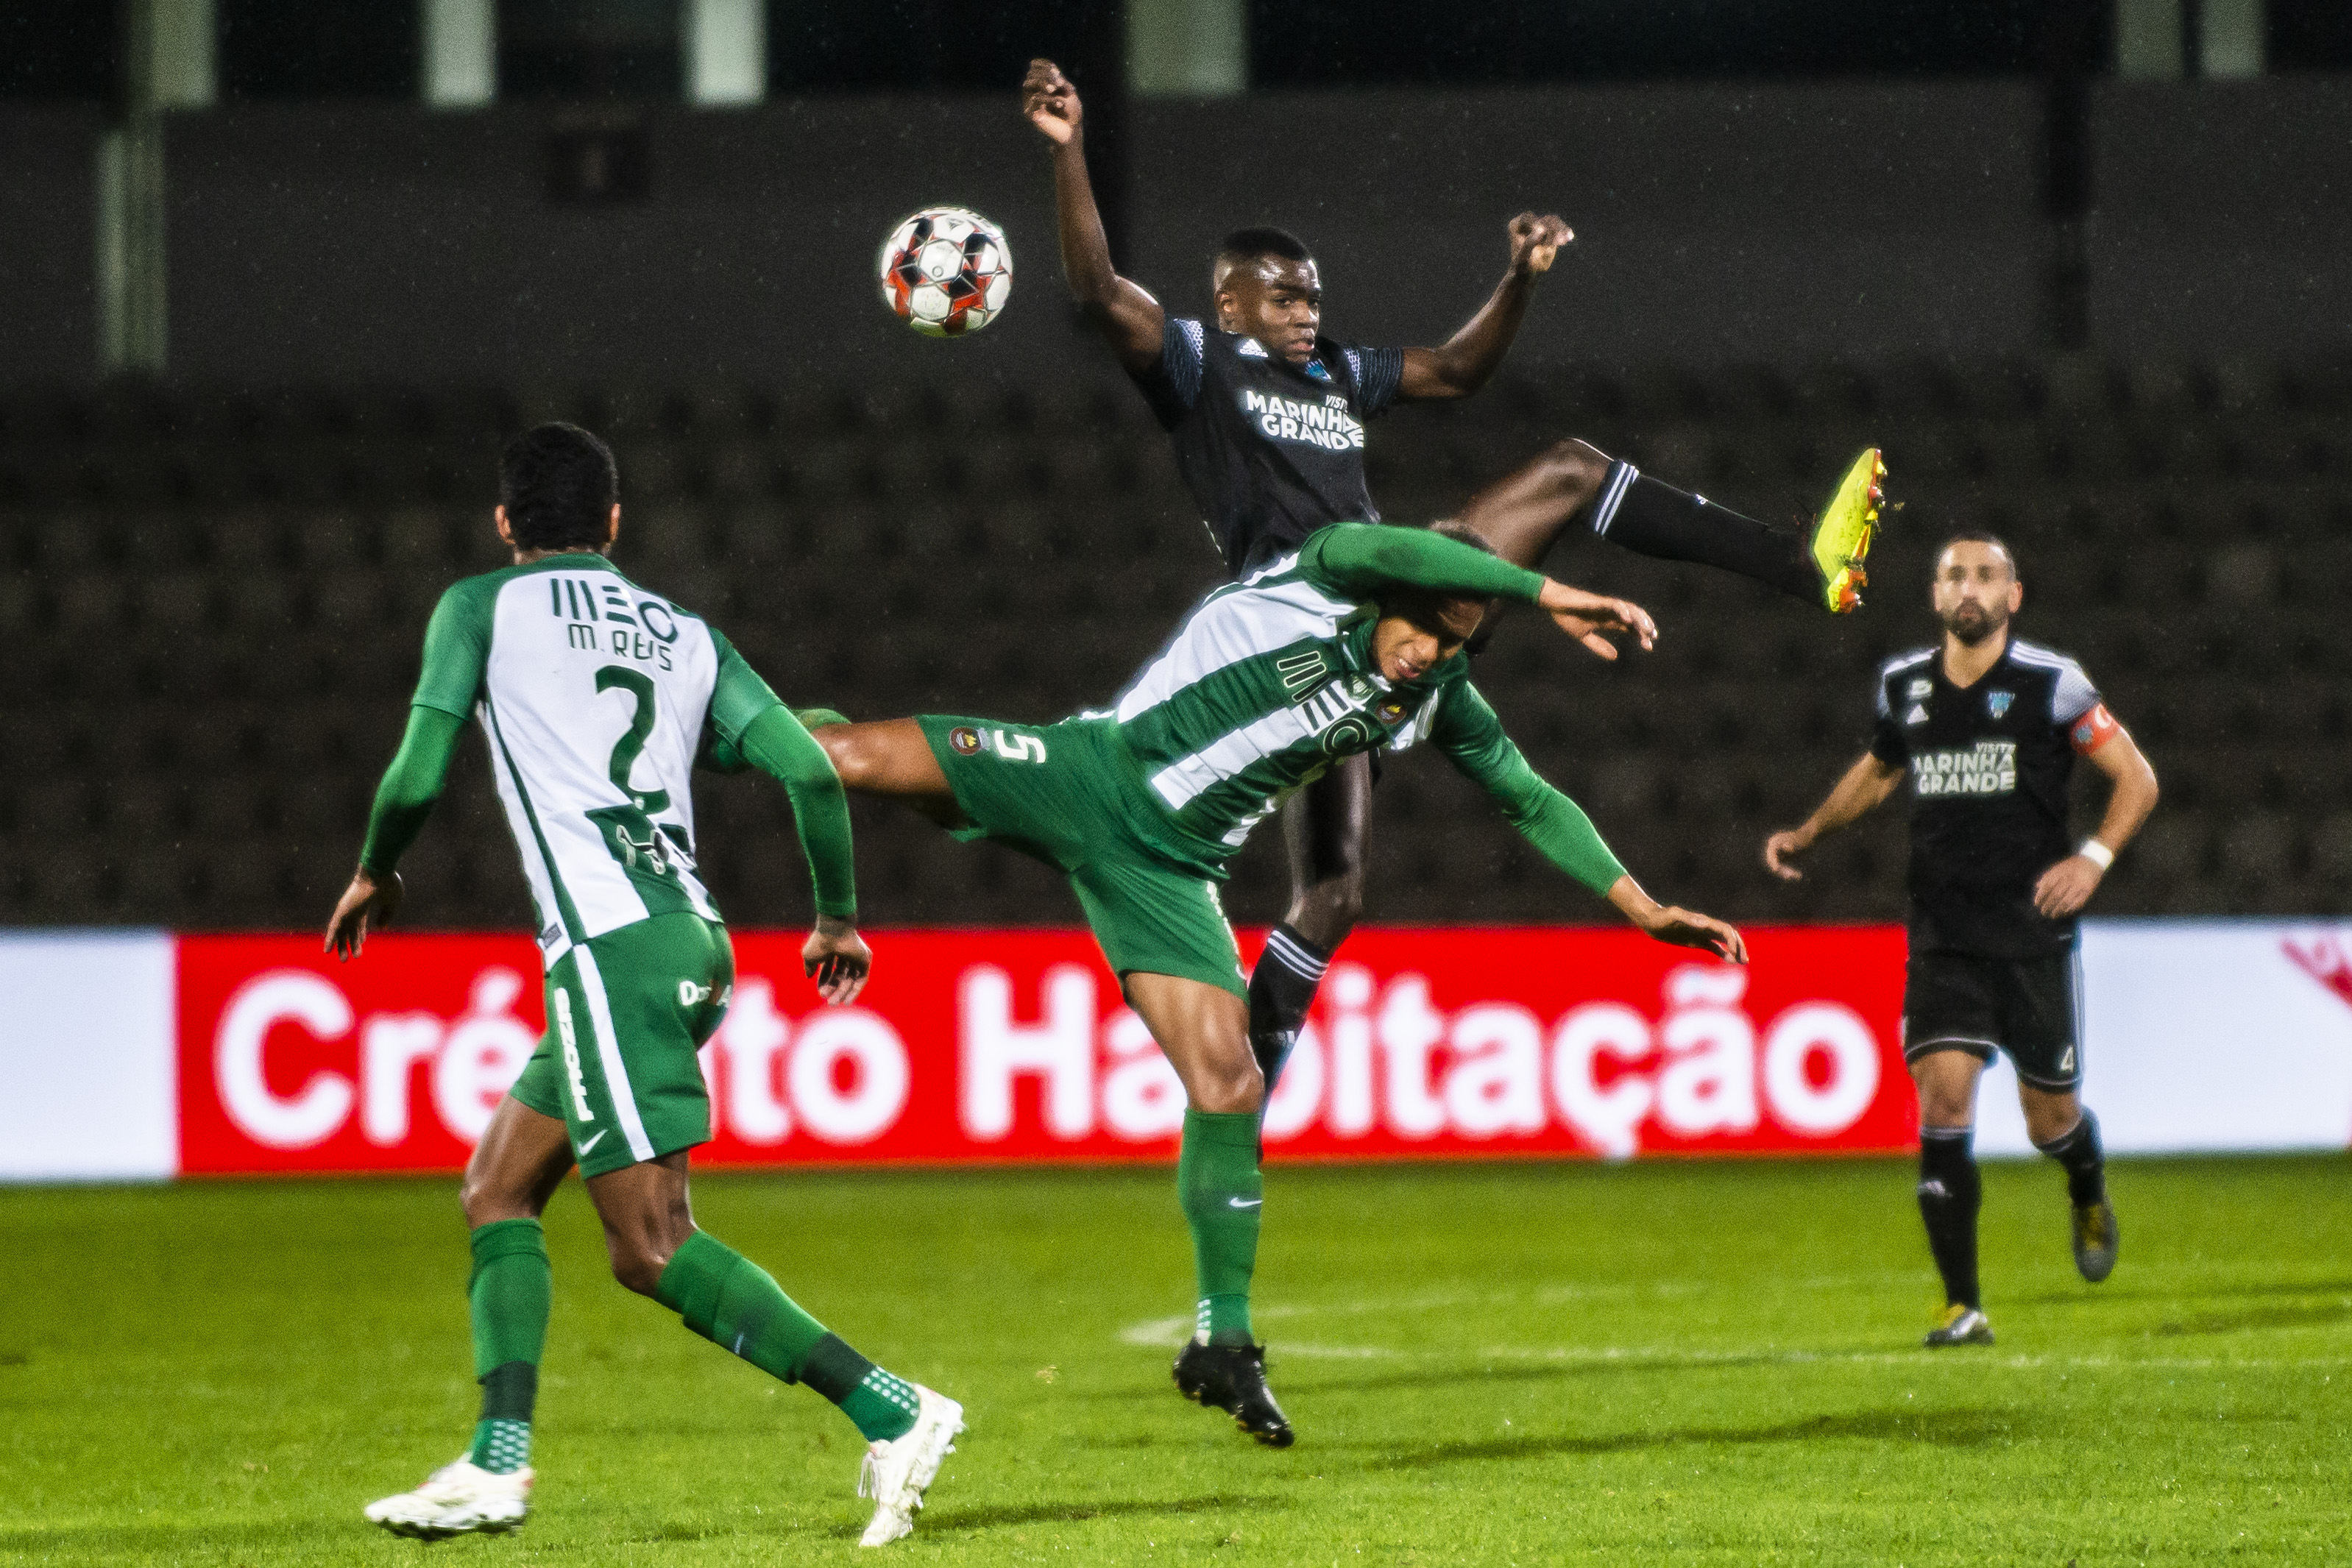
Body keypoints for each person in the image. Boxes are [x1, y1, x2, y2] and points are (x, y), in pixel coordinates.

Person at [1021, 56, 1881, 1096]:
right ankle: (1247, 1077)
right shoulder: (1203, 363)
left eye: (1316, 297)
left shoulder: (1336, 370)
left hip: (1391, 600)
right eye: (1286, 296)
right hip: (1292, 623)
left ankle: (1799, 564)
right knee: (1333, 890)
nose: (1306, 312)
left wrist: (1518, 279)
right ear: (1229, 297)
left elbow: (1460, 370)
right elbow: (1097, 290)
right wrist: (1070, 157)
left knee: (1569, 469)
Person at [807, 520, 1748, 1445]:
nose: (1431, 652)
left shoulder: (1436, 695)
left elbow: (1527, 795)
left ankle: (1224, 1340)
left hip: (1170, 874)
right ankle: (719, 725)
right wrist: (1546, 590)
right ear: (1395, 592)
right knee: (831, 758)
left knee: (1230, 1085)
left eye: (1459, 640)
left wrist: (1642, 905)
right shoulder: (1328, 573)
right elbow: (1391, 549)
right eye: (1425, 626)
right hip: (1085, 773)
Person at [327, 424, 963, 1547]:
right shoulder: (685, 633)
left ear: (505, 522)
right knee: (496, 1189)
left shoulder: (480, 607)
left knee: (652, 1242)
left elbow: (418, 767)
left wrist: (379, 866)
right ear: (615, 524)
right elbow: (808, 762)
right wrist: (836, 917)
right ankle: (496, 1461)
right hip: (681, 938)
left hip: (613, 949)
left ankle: (894, 1407)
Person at [1763, 532, 2158, 1348]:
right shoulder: (1904, 686)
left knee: (2050, 1120)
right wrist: (1808, 832)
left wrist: (2091, 859)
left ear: (2014, 595)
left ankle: (2084, 1180)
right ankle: (1962, 1305)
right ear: (1935, 596)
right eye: (1954, 576)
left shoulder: (2054, 686)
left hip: (2032, 936)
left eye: (1986, 575)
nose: (1969, 588)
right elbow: (1876, 774)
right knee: (1943, 1103)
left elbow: (2137, 778)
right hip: (1944, 935)